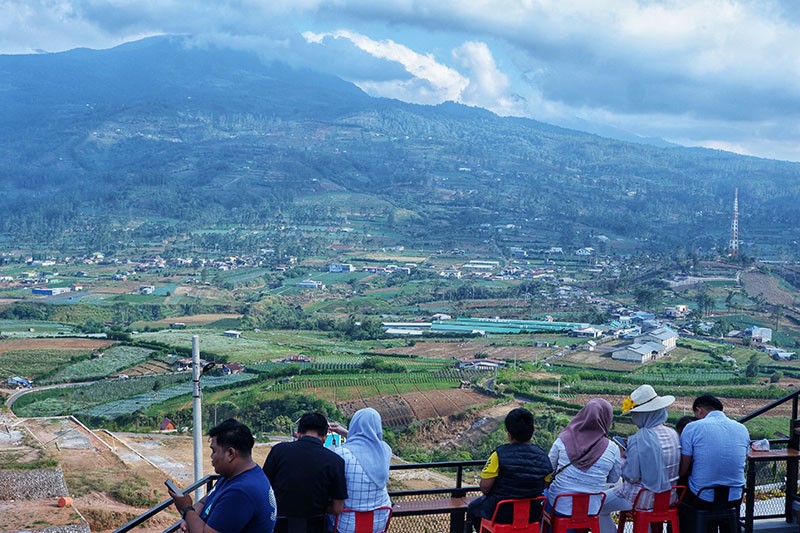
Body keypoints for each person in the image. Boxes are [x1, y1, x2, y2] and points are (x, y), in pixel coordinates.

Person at [168, 418, 277, 533]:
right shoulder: (232, 476)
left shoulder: (241, 492)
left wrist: (186, 509)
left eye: (214, 451)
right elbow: (203, 502)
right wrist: (190, 519)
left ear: (230, 453)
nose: (211, 457)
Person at [599, 385, 680, 533]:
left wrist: (623, 457)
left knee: (598, 504)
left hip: (642, 498)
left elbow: (632, 475)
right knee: (645, 514)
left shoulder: (639, 439)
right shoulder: (673, 434)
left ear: (643, 415)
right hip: (668, 497)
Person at [466, 407, 552, 531]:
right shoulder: (544, 457)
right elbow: (545, 484)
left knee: (472, 509)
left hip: (501, 514)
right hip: (531, 515)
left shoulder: (498, 455)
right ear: (533, 430)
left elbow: (485, 488)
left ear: (509, 434)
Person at [263, 412, 348, 531]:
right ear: (325, 436)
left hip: (279, 526)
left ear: (298, 433)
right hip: (315, 526)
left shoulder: (278, 451)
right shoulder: (335, 461)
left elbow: (264, 489)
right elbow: (337, 508)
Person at [678, 394, 750, 532]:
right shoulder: (741, 428)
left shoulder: (692, 427)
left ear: (699, 410)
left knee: (681, 486)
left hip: (702, 497)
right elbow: (744, 459)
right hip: (735, 496)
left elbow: (683, 468)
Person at [547, 398, 622, 516]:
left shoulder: (562, 440)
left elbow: (549, 468)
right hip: (592, 508)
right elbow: (613, 479)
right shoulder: (612, 449)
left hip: (561, 505)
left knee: (543, 496)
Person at [328, 408, 392, 533]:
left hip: (347, 524)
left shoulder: (341, 453)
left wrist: (347, 432)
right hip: (379, 521)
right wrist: (346, 433)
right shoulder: (385, 450)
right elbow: (372, 440)